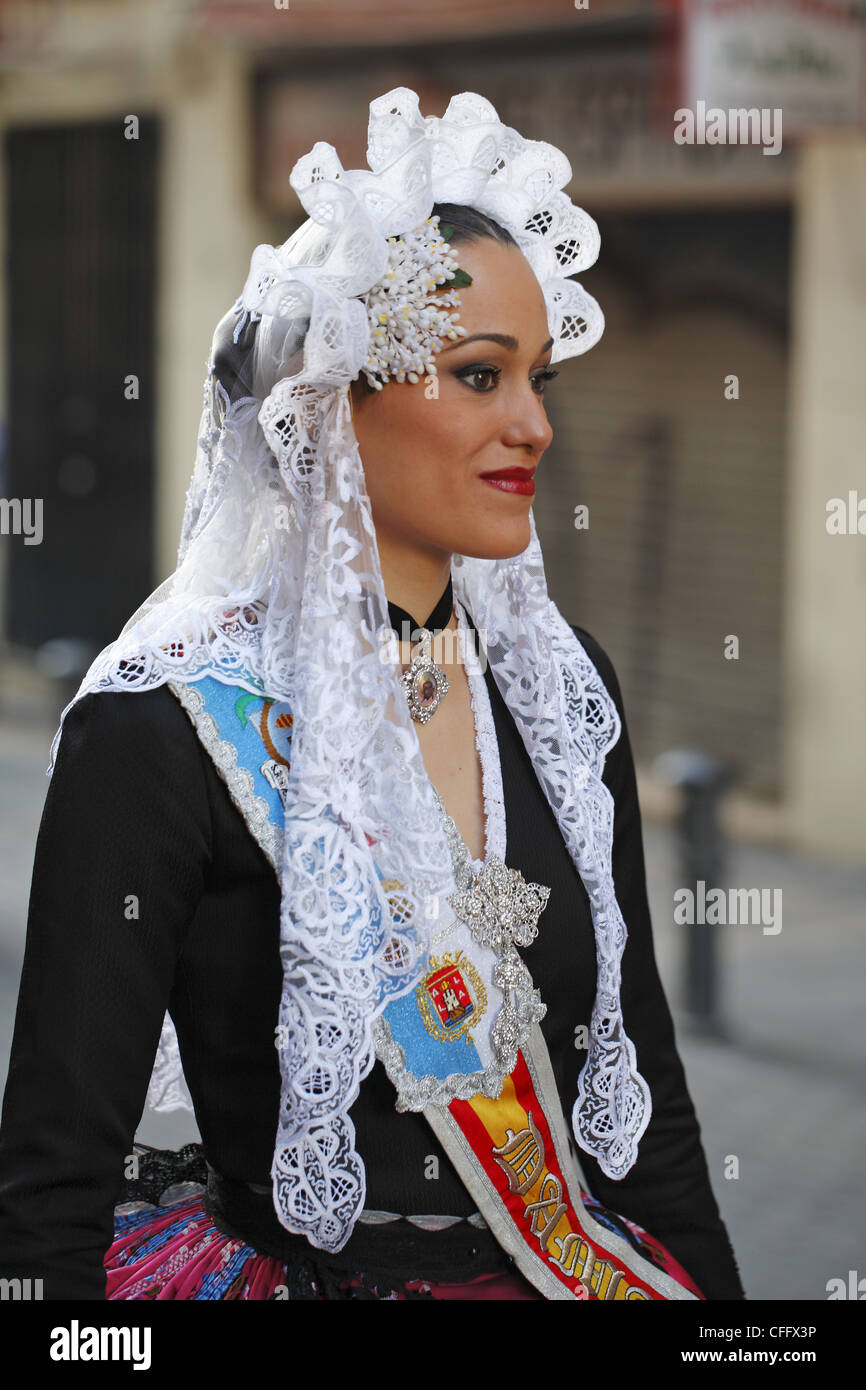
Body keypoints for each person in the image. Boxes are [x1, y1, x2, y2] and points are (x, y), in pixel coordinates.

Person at [0, 87, 744, 1301]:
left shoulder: (561, 694)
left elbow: (645, 1102)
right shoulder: (164, 727)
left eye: (538, 378)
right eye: (477, 373)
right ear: (330, 401)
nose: (534, 426)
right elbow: (50, 1183)